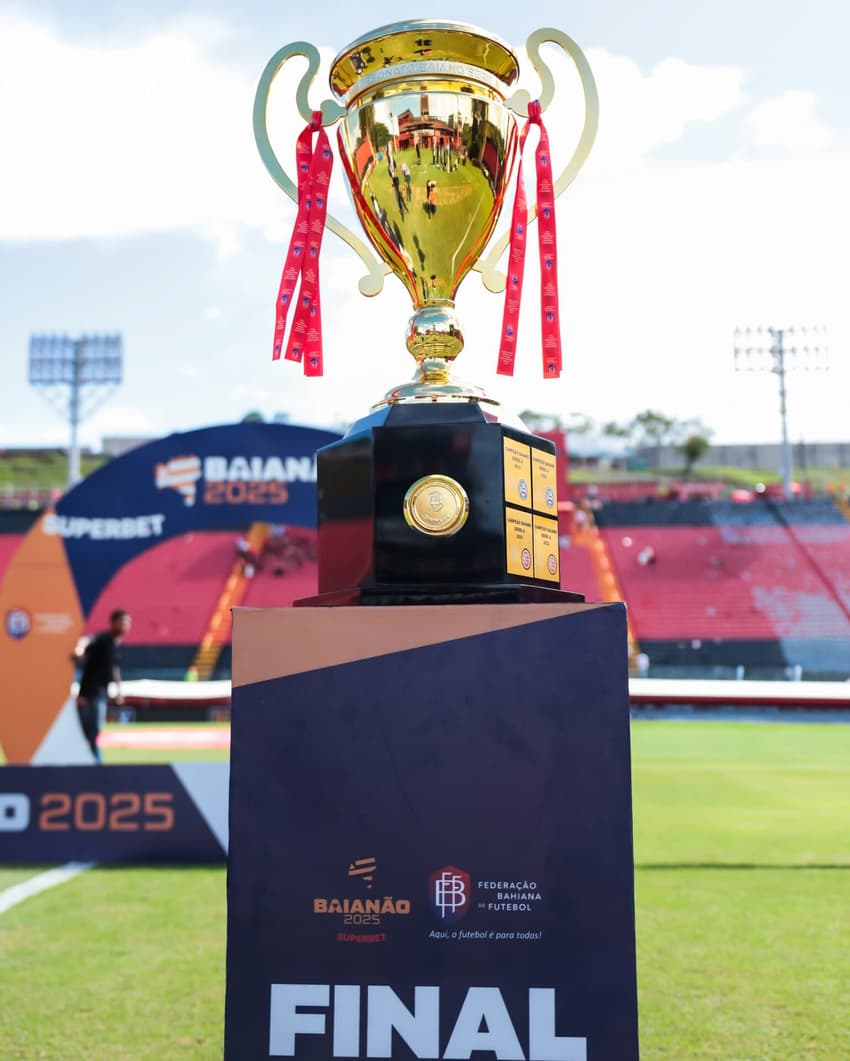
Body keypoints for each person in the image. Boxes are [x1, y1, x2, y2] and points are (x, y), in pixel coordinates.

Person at [75, 609, 131, 763]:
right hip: (91, 692)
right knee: (93, 730)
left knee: (91, 730)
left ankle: (91, 760)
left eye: (127, 622)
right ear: (113, 622)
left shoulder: (115, 644)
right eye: (122, 622)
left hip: (100, 692)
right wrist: (79, 650)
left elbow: (114, 669)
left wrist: (119, 691)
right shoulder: (103, 639)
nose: (126, 625)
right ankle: (97, 763)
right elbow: (86, 641)